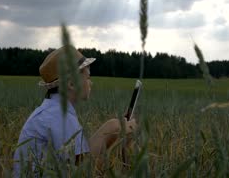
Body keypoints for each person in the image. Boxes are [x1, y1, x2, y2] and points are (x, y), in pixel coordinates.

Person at [13, 46, 137, 177]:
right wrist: (113, 127)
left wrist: (115, 130)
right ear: (71, 84)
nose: (91, 83)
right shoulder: (59, 116)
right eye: (88, 77)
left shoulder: (54, 111)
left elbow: (80, 157)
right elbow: (82, 169)